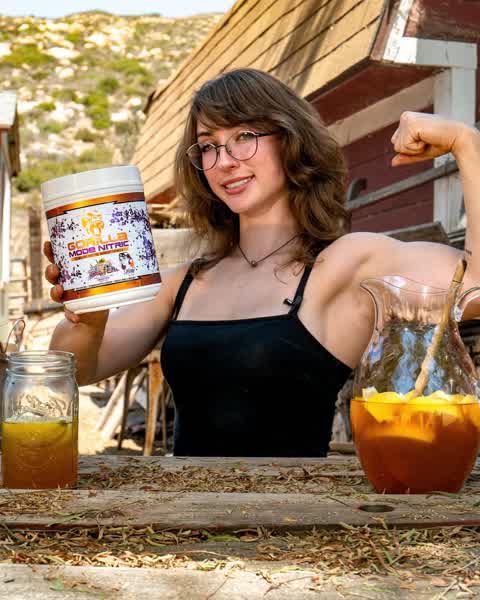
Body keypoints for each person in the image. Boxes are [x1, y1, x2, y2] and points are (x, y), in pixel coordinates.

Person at [45, 68, 480, 457]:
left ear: (291, 140)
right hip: (183, 515)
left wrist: (467, 144)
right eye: (208, 146)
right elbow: (75, 370)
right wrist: (89, 315)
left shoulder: (344, 265)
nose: (225, 161)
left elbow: (476, 285)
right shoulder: (183, 282)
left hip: (292, 517)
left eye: (244, 137)